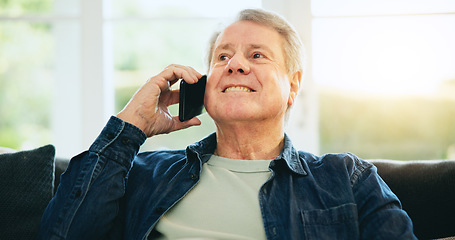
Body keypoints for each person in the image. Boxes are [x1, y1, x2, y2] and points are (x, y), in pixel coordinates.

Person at [37, 8, 416, 240]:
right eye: (222, 56)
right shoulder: (143, 175)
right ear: (203, 86)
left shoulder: (347, 179)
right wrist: (129, 128)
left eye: (257, 55)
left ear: (293, 86)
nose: (236, 64)